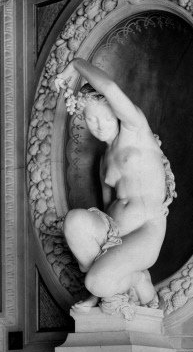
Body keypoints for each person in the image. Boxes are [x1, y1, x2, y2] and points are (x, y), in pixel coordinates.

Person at [54, 58, 175, 314]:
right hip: (115, 234)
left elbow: (108, 87)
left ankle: (134, 279)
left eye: (107, 118)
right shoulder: (104, 161)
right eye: (91, 119)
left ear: (117, 114)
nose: (100, 126)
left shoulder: (135, 129)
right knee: (74, 221)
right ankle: (109, 285)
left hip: (145, 231)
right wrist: (104, 243)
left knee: (96, 282)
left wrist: (75, 65)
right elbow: (108, 206)